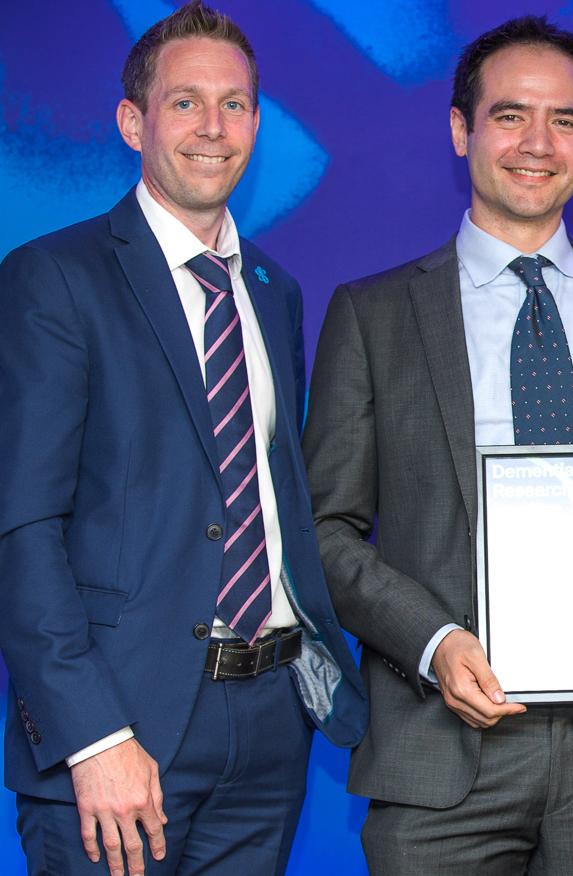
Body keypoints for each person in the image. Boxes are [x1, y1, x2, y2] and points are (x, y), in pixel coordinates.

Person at [302, 15, 573, 875]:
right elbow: (322, 529)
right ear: (460, 129)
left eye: (566, 121)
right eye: (510, 115)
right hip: (438, 753)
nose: (537, 143)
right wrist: (433, 643)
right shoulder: (374, 315)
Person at [0, 3, 368, 875]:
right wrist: (92, 734)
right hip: (124, 733)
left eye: (236, 104)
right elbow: (22, 528)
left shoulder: (275, 290)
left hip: (272, 731)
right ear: (133, 122)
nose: (214, 127)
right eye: (185, 102)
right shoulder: (54, 278)